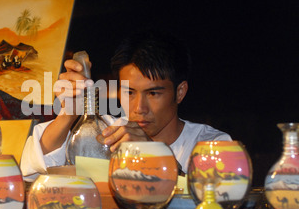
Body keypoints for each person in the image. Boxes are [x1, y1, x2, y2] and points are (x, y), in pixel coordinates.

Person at [20, 29, 231, 181]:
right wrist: (68, 114)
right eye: (129, 92)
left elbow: (211, 203)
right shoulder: (106, 133)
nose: (139, 108)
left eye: (153, 93)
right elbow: (34, 171)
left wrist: (155, 155)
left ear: (180, 92)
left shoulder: (211, 146)